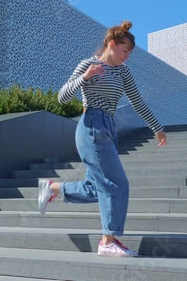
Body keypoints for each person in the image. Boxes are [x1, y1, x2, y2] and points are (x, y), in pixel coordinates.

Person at [38, 20, 167, 257]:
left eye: (130, 53)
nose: (127, 57)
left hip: (109, 127)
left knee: (96, 188)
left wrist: (156, 128)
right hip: (91, 127)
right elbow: (61, 98)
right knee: (118, 184)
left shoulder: (122, 71)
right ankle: (108, 241)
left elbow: (137, 101)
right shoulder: (88, 65)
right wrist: (84, 78)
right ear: (111, 44)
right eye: (125, 50)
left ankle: (51, 187)